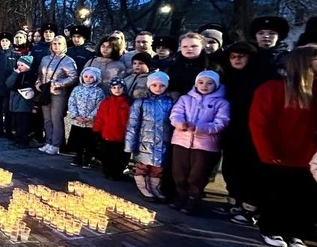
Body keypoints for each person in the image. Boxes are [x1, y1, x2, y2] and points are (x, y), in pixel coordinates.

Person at [248, 46, 317, 247]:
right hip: (278, 153)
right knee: (276, 194)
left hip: (308, 154)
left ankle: (297, 233)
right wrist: (267, 152)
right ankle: (271, 229)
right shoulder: (272, 88)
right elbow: (259, 123)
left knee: (304, 196)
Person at [169, 71, 231, 215]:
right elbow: (176, 113)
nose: (204, 86)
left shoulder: (221, 103)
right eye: (201, 82)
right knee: (179, 172)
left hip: (205, 145)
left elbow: (221, 122)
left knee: (198, 175)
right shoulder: (186, 99)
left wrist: (200, 128)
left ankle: (193, 198)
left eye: (209, 83)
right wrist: (179, 123)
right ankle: (181, 195)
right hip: (181, 141)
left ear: (216, 85)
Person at [220, 42, 263, 223]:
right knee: (231, 164)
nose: (237, 60)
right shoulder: (227, 77)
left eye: (241, 56)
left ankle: (249, 205)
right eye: (233, 56)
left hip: (252, 127)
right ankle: (234, 199)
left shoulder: (258, 78)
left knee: (251, 166)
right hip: (231, 126)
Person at [125, 71, 174, 199]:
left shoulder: (170, 102)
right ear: (149, 86)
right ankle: (143, 188)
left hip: (163, 142)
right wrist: (130, 144)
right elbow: (133, 124)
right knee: (142, 166)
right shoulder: (141, 102)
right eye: (154, 85)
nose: (158, 88)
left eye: (161, 85)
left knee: (158, 168)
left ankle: (155, 188)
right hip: (144, 142)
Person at [35, 35, 78, 155]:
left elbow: (74, 77)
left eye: (59, 44)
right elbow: (40, 73)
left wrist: (57, 84)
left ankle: (56, 144)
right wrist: (38, 82)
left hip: (58, 94)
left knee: (56, 119)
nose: (56, 46)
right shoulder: (45, 59)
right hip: (45, 93)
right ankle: (48, 141)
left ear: (64, 45)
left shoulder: (68, 60)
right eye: (54, 43)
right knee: (47, 119)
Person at [93, 78, 132, 180]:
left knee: (120, 156)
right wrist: (96, 130)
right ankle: (107, 171)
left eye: (119, 87)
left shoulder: (127, 103)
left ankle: (117, 172)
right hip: (106, 135)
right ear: (110, 89)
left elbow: (129, 121)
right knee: (106, 156)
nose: (117, 90)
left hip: (121, 136)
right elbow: (99, 117)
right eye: (114, 87)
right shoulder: (105, 102)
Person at [66, 66, 105, 168]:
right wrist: (75, 115)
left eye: (91, 77)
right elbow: (71, 102)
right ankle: (77, 157)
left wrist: (91, 117)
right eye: (86, 76)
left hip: (90, 123)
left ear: (96, 78)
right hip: (78, 121)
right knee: (78, 140)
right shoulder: (77, 89)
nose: (88, 79)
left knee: (89, 142)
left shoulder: (99, 91)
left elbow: (100, 105)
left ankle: (87, 159)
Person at [166, 32, 222, 99]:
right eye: (185, 46)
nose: (189, 49)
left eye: (194, 46)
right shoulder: (171, 64)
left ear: (202, 47)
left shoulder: (213, 67)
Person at [6, 55, 37, 148]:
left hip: (23, 103)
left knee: (23, 123)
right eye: (18, 65)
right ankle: (18, 138)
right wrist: (15, 74)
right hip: (14, 101)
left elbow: (32, 93)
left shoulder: (31, 76)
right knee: (16, 122)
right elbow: (8, 84)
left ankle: (24, 140)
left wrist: (33, 106)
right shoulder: (16, 74)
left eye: (22, 65)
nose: (19, 67)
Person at [249, 15, 288, 84]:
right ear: (255, 36)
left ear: (278, 37)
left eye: (272, 33)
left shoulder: (288, 57)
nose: (266, 36)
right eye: (261, 33)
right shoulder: (248, 55)